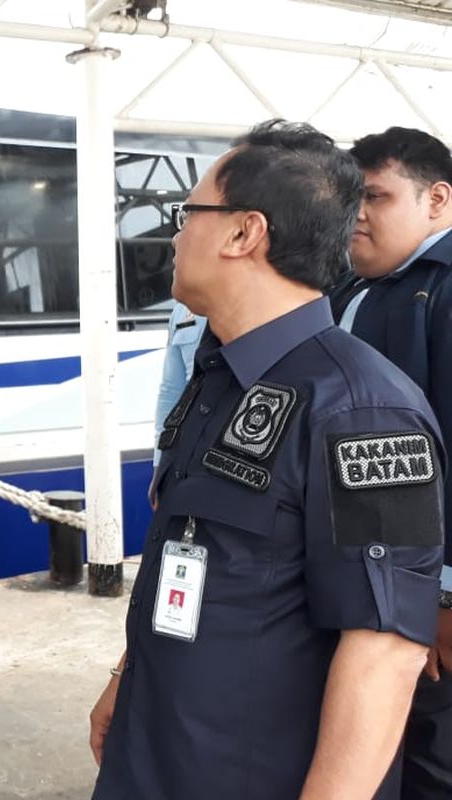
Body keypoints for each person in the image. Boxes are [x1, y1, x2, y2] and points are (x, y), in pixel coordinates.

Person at [90, 121, 446, 799]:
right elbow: (193, 556)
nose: (174, 234)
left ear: (242, 233)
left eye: (186, 214)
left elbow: (386, 653)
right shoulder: (218, 377)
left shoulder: (362, 411)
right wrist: (124, 680)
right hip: (156, 748)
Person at [330, 126, 452, 799]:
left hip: (424, 589)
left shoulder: (443, 289)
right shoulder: (361, 287)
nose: (359, 214)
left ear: (437, 199)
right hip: (371, 575)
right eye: (353, 198)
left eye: (376, 196)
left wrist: (443, 594)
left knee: (432, 753)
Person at [152, 301, 208, 468]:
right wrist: (160, 458)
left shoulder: (252, 299)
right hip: (192, 446)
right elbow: (171, 391)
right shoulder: (182, 309)